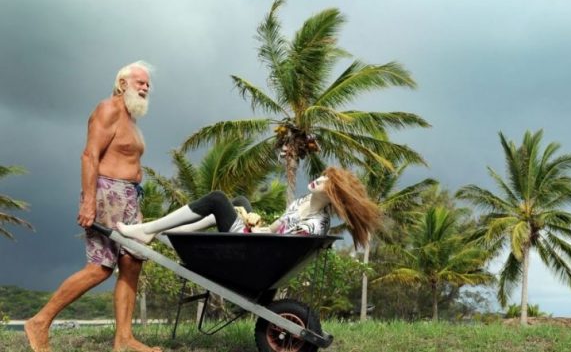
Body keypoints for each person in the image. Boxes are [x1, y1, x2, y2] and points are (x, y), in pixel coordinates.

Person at [25, 61, 161, 352]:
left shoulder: (132, 121)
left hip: (129, 197)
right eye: (140, 82)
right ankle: (40, 321)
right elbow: (89, 156)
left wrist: (134, 204)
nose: (146, 87)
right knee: (100, 268)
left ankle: (124, 339)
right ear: (123, 84)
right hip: (105, 193)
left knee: (132, 263)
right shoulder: (107, 109)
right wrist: (88, 202)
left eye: (148, 84)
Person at [117, 167, 382, 249]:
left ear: (334, 195)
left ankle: (148, 230)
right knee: (242, 201)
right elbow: (277, 228)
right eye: (323, 175)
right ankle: (179, 233)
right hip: (258, 240)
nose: (319, 179)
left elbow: (280, 247)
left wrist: (254, 232)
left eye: (327, 182)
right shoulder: (303, 201)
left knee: (218, 199)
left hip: (254, 249)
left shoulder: (316, 224)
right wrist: (256, 222)